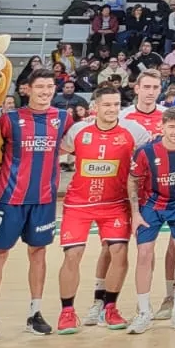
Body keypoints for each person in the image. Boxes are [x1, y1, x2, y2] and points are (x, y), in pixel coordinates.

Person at [0, 68, 71, 339]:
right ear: (27, 90)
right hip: (10, 200)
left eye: (50, 87)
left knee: (39, 253)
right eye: (40, 87)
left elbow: (70, 147)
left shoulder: (63, 118)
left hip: (44, 200)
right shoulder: (8, 120)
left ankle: (35, 313)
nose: (45, 92)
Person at [55, 85, 150, 334]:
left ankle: (110, 307)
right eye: (107, 105)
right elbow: (55, 153)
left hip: (115, 203)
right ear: (95, 107)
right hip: (79, 203)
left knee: (119, 251)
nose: (112, 109)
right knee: (72, 255)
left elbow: (152, 152)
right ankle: (67, 311)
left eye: (116, 104)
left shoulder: (133, 130)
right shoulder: (78, 130)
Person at [127, 107, 175, 334]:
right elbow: (133, 181)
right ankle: (143, 312)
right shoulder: (145, 151)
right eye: (171, 126)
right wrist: (135, 213)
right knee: (144, 254)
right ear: (161, 127)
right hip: (151, 206)